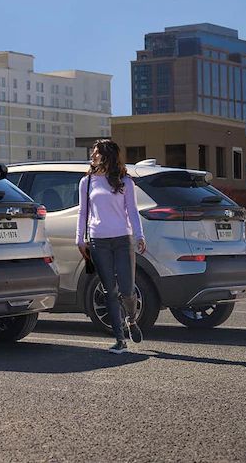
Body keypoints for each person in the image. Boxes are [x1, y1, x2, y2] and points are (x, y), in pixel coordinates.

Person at [75, 139, 146, 354]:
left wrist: (139, 235)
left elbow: (132, 211)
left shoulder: (125, 181)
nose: (92, 156)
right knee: (110, 291)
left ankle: (131, 319)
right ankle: (119, 339)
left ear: (107, 156)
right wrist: (80, 239)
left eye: (96, 152)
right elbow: (83, 212)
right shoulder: (87, 181)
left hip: (123, 239)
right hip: (98, 241)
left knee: (127, 289)